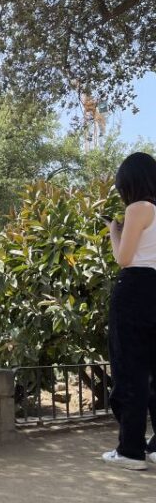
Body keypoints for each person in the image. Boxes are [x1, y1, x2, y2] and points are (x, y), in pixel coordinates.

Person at [103, 151, 156, 470]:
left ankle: (130, 450)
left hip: (134, 288)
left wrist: (114, 232)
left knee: (129, 368)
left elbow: (123, 258)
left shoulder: (138, 208)